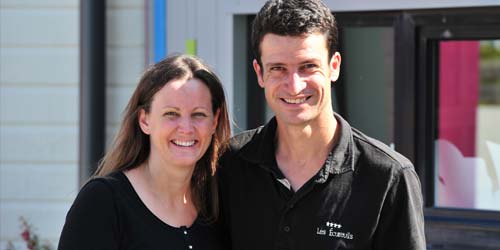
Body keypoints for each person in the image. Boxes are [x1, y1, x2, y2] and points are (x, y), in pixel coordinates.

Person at [217, 0, 426, 249]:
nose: (294, 86)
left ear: (334, 66)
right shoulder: (228, 164)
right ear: (259, 73)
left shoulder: (388, 177)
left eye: (308, 67)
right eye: (278, 69)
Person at [58, 54, 231, 250]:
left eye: (198, 114)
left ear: (214, 121)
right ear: (144, 120)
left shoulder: (218, 205)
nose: (186, 128)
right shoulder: (103, 202)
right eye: (171, 114)